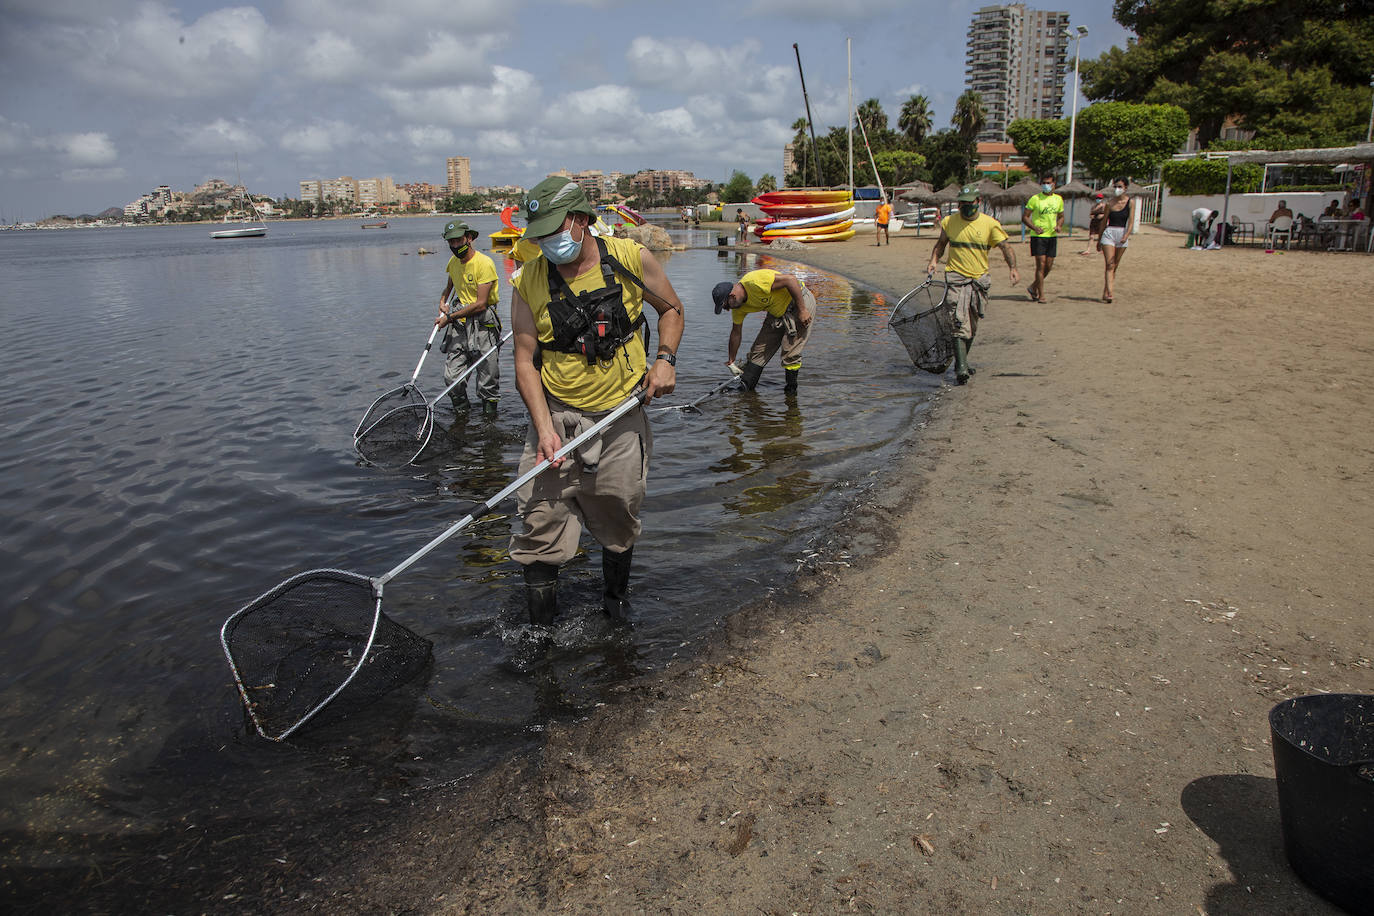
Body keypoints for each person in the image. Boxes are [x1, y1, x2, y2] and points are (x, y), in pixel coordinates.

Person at [508, 177, 684, 627]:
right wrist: (544, 428)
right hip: (556, 418)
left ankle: (615, 603)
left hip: (621, 416)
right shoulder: (528, 279)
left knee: (617, 512)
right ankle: (540, 636)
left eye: (555, 229)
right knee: (538, 522)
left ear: (582, 220)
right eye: (540, 234)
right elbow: (524, 360)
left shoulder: (629, 257)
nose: (549, 241)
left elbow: (671, 309)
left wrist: (664, 360)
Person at [925, 185, 1020, 385]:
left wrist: (1013, 268)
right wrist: (934, 260)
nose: (966, 207)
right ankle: (961, 369)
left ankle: (963, 362)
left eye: (970, 203)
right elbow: (941, 244)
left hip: (978, 280)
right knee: (958, 322)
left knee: (972, 325)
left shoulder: (990, 224)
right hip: (955, 277)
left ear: (978, 202)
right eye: (963, 204)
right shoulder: (950, 222)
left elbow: (1005, 247)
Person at [711, 268, 816, 393]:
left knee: (790, 352)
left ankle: (791, 393)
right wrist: (731, 360)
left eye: (726, 306)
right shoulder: (738, 308)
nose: (728, 310)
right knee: (758, 352)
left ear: (732, 296)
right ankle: (745, 388)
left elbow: (791, 280)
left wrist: (802, 310)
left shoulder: (755, 282)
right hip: (776, 311)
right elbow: (736, 333)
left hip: (798, 301)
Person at [436, 221, 502, 417]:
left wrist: (449, 317)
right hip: (459, 324)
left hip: (483, 324)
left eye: (458, 240)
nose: (455, 246)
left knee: (487, 377)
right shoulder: (453, 262)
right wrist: (442, 302)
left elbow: (481, 303)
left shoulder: (484, 263)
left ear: (469, 238)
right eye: (451, 242)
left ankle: (489, 422)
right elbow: (449, 287)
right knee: (451, 377)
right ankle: (462, 416)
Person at [1021, 173, 1064, 302]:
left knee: (1049, 266)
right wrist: (1034, 228)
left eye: (1049, 183)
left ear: (1054, 184)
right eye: (1044, 183)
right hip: (1038, 236)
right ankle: (1041, 294)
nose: (1046, 185)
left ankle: (1033, 287)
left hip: (1052, 236)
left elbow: (1061, 216)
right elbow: (1025, 217)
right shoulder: (1035, 199)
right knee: (1041, 264)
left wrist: (1059, 225)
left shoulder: (1058, 199)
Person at [1100, 177, 1134, 303]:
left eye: (1120, 187)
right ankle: (1110, 292)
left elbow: (1131, 221)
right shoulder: (1109, 203)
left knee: (1115, 265)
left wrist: (1127, 235)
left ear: (1125, 188)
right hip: (1109, 233)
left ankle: (1106, 290)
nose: (1117, 189)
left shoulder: (1130, 202)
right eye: (1115, 186)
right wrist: (1099, 239)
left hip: (1122, 234)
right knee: (1109, 263)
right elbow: (1104, 222)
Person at [1080, 191, 1107, 256]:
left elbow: (1106, 214)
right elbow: (1090, 214)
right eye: (1097, 198)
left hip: (1101, 223)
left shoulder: (1104, 206)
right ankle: (1088, 250)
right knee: (1091, 236)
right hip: (1094, 222)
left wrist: (1102, 216)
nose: (1098, 199)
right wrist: (1092, 216)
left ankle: (1100, 249)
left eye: (1100, 198)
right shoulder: (1094, 207)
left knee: (1101, 237)